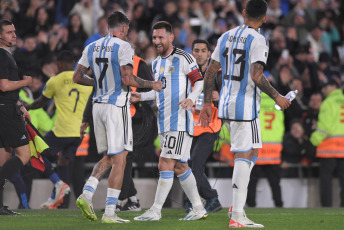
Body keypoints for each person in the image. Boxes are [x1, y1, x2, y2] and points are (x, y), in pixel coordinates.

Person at [199, 0, 291, 228]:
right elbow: (256, 75)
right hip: (244, 105)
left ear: (243, 13)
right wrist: (278, 96)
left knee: (254, 150)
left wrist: (207, 103)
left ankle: (236, 205)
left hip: (226, 103)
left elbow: (210, 72)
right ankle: (238, 215)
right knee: (243, 155)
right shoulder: (259, 40)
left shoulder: (225, 36)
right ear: (265, 18)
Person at [73, 11, 162, 224]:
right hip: (116, 107)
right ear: (123, 29)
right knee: (120, 159)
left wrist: (97, 84)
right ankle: (110, 213)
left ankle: (86, 193)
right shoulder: (123, 47)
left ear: (108, 27)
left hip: (98, 107)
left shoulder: (91, 47)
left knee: (111, 157)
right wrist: (152, 84)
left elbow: (77, 77)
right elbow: (128, 77)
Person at [131, 21, 207, 221]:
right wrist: (141, 96)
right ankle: (198, 208)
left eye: (160, 37)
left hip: (179, 122)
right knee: (180, 166)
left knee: (165, 163)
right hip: (163, 123)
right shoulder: (156, 63)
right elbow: (159, 94)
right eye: (154, 37)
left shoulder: (183, 57)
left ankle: (155, 210)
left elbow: (199, 81)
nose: (157, 41)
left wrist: (191, 98)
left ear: (171, 37)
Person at [25, 50, 93, 209]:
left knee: (34, 151)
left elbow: (40, 103)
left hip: (62, 130)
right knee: (64, 161)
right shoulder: (88, 81)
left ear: (61, 64)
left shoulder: (55, 80)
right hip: (81, 133)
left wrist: (26, 107)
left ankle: (57, 183)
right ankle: (59, 200)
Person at [184, 39, 222, 213]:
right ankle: (198, 199)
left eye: (203, 51)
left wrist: (219, 96)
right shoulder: (187, 73)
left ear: (209, 54)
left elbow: (230, 97)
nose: (199, 54)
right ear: (192, 53)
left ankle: (207, 198)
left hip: (210, 126)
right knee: (186, 164)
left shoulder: (218, 73)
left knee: (195, 163)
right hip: (191, 126)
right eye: (196, 50)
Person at [0, 19, 32, 215]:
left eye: (14, 31)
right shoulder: (2, 56)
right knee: (24, 155)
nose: (14, 35)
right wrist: (25, 82)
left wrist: (20, 105)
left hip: (6, 108)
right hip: (6, 112)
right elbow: (3, 86)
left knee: (3, 159)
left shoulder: (5, 55)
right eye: (9, 32)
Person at [310, 79, 344, 207]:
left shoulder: (328, 102)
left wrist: (313, 140)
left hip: (329, 148)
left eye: (325, 87)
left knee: (326, 180)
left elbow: (324, 128)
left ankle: (326, 206)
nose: (323, 90)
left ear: (334, 86)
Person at [247, 92, 284, 208]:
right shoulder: (277, 101)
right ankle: (279, 205)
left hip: (257, 148)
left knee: (251, 181)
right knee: (275, 183)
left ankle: (251, 205)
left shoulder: (253, 101)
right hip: (274, 150)